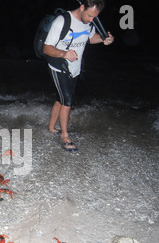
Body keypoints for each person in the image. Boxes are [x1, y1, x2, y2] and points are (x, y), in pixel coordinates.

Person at [43, 0, 114, 151]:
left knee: (60, 98)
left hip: (74, 68)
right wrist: (63, 53)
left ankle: (51, 127)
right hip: (58, 66)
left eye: (94, 17)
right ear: (82, 7)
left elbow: (89, 38)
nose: (91, 20)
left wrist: (103, 39)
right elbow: (46, 48)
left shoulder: (89, 22)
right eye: (89, 15)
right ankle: (64, 136)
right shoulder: (63, 21)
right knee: (67, 100)